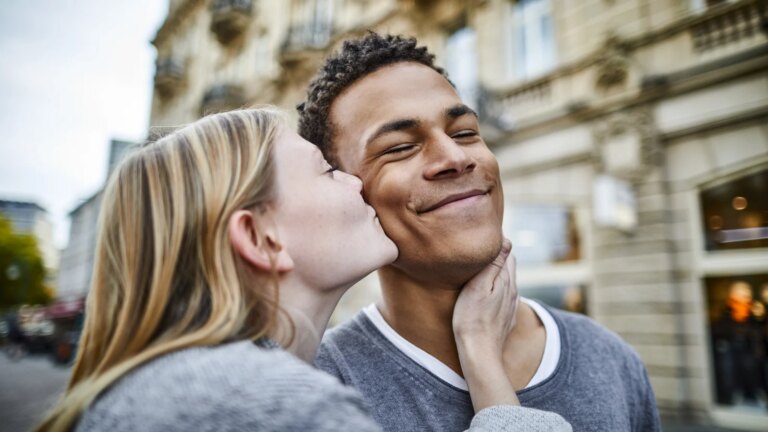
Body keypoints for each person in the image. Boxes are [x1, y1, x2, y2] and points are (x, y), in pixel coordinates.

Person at [36, 108, 571, 431]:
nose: (356, 183)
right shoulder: (269, 406)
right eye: (326, 170)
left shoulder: (172, 384)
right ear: (261, 238)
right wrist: (482, 356)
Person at [298, 33, 662, 432]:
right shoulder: (317, 390)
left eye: (465, 132)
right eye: (400, 147)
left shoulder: (609, 356)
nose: (455, 158)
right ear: (346, 194)